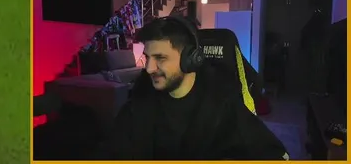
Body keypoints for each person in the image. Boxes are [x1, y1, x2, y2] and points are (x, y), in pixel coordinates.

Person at [96, 16, 289, 160]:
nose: (149, 68)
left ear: (191, 59)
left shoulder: (222, 101)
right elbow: (113, 150)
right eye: (147, 57)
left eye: (160, 58)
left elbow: (272, 154)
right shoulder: (141, 97)